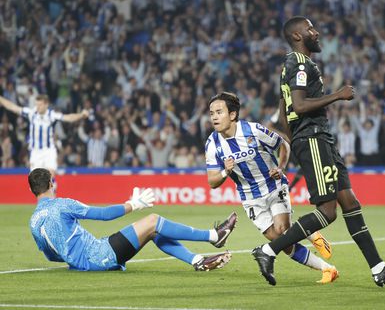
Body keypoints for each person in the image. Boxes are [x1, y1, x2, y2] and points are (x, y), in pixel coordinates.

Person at [252, 16, 385, 286]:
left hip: (317, 139)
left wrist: (292, 145)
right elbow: (299, 106)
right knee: (327, 211)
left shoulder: (293, 65)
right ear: (297, 36)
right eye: (310, 28)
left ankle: (378, 268)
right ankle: (268, 250)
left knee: (349, 202)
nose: (316, 32)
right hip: (313, 137)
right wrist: (338, 95)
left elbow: (284, 111)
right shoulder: (299, 63)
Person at [205, 91, 337, 284]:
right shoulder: (212, 144)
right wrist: (225, 172)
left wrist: (280, 167)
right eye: (211, 113)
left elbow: (283, 145)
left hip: (273, 186)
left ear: (232, 115)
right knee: (280, 241)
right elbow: (212, 181)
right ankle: (327, 267)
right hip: (250, 197)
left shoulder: (253, 130)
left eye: (219, 112)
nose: (214, 117)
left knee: (283, 230)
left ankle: (309, 234)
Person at [29, 168, 237, 272]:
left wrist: (74, 259)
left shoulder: (34, 221)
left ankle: (197, 261)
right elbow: (103, 215)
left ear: (32, 190)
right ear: (51, 184)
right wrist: (133, 204)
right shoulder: (61, 205)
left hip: (87, 262)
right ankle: (213, 236)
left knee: (153, 232)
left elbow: (50, 255)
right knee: (153, 220)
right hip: (100, 254)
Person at [0, 94, 89, 180]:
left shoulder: (52, 115)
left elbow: (68, 118)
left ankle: (52, 192)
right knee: (36, 181)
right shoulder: (31, 113)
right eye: (36, 104)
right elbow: (13, 107)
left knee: (50, 176)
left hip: (48, 151)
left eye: (40, 105)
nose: (37, 107)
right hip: (35, 152)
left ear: (46, 104)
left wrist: (81, 115)